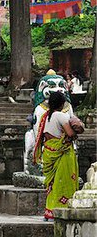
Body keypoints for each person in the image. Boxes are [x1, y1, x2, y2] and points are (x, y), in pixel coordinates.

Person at [33, 91, 79, 221]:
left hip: (48, 151)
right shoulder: (61, 116)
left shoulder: (46, 116)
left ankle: (49, 211)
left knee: (52, 183)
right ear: (62, 103)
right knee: (62, 181)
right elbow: (70, 134)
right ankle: (59, 210)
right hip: (61, 153)